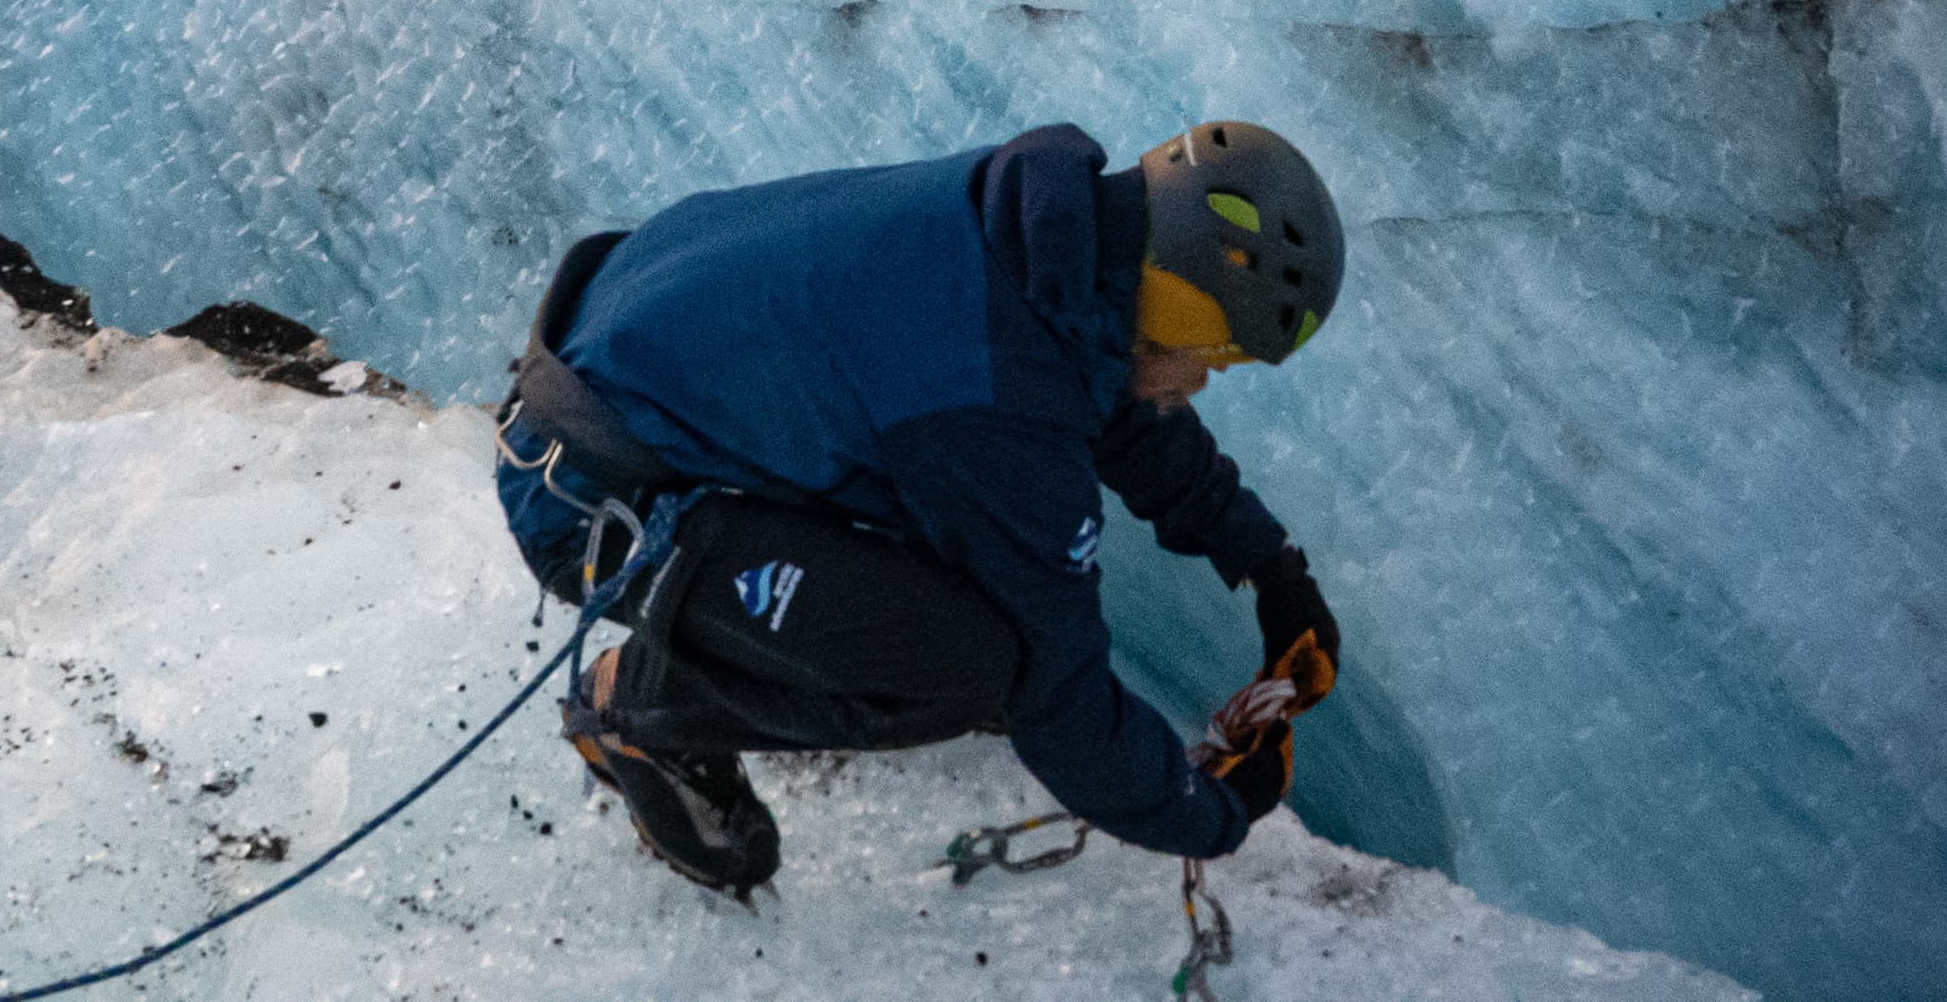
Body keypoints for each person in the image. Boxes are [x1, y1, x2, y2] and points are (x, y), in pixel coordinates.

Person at [491, 118, 1348, 895]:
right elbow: (1060, 699)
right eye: (1212, 356)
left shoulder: (1047, 235)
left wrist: (1268, 565)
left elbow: (1113, 393)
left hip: (618, 363)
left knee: (967, 573)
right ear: (1175, 303)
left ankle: (759, 641)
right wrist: (1213, 805)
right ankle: (643, 712)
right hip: (592, 496)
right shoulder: (982, 391)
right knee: (973, 667)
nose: (1202, 381)